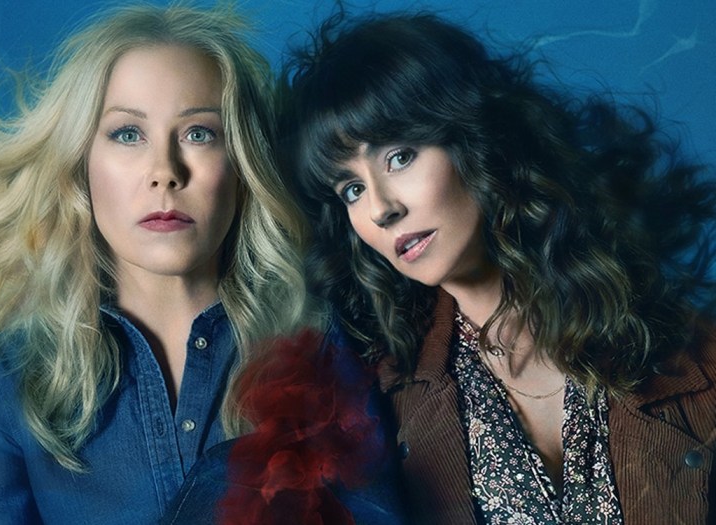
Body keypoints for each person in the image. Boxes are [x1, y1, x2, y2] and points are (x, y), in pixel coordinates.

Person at [0, 5, 312, 522]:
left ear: (243, 164)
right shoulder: (2, 377)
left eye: (199, 133)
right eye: (127, 134)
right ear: (80, 164)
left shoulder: (322, 346)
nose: (164, 172)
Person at [280, 9, 716, 525]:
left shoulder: (693, 354)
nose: (380, 209)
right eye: (352, 189)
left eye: (400, 157)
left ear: (478, 140)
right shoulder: (374, 405)